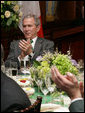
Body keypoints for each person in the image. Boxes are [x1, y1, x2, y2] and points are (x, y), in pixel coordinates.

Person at [1, 44, 31, 112]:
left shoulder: (12, 104)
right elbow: (8, 64)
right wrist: (21, 57)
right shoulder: (15, 44)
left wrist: (30, 55)